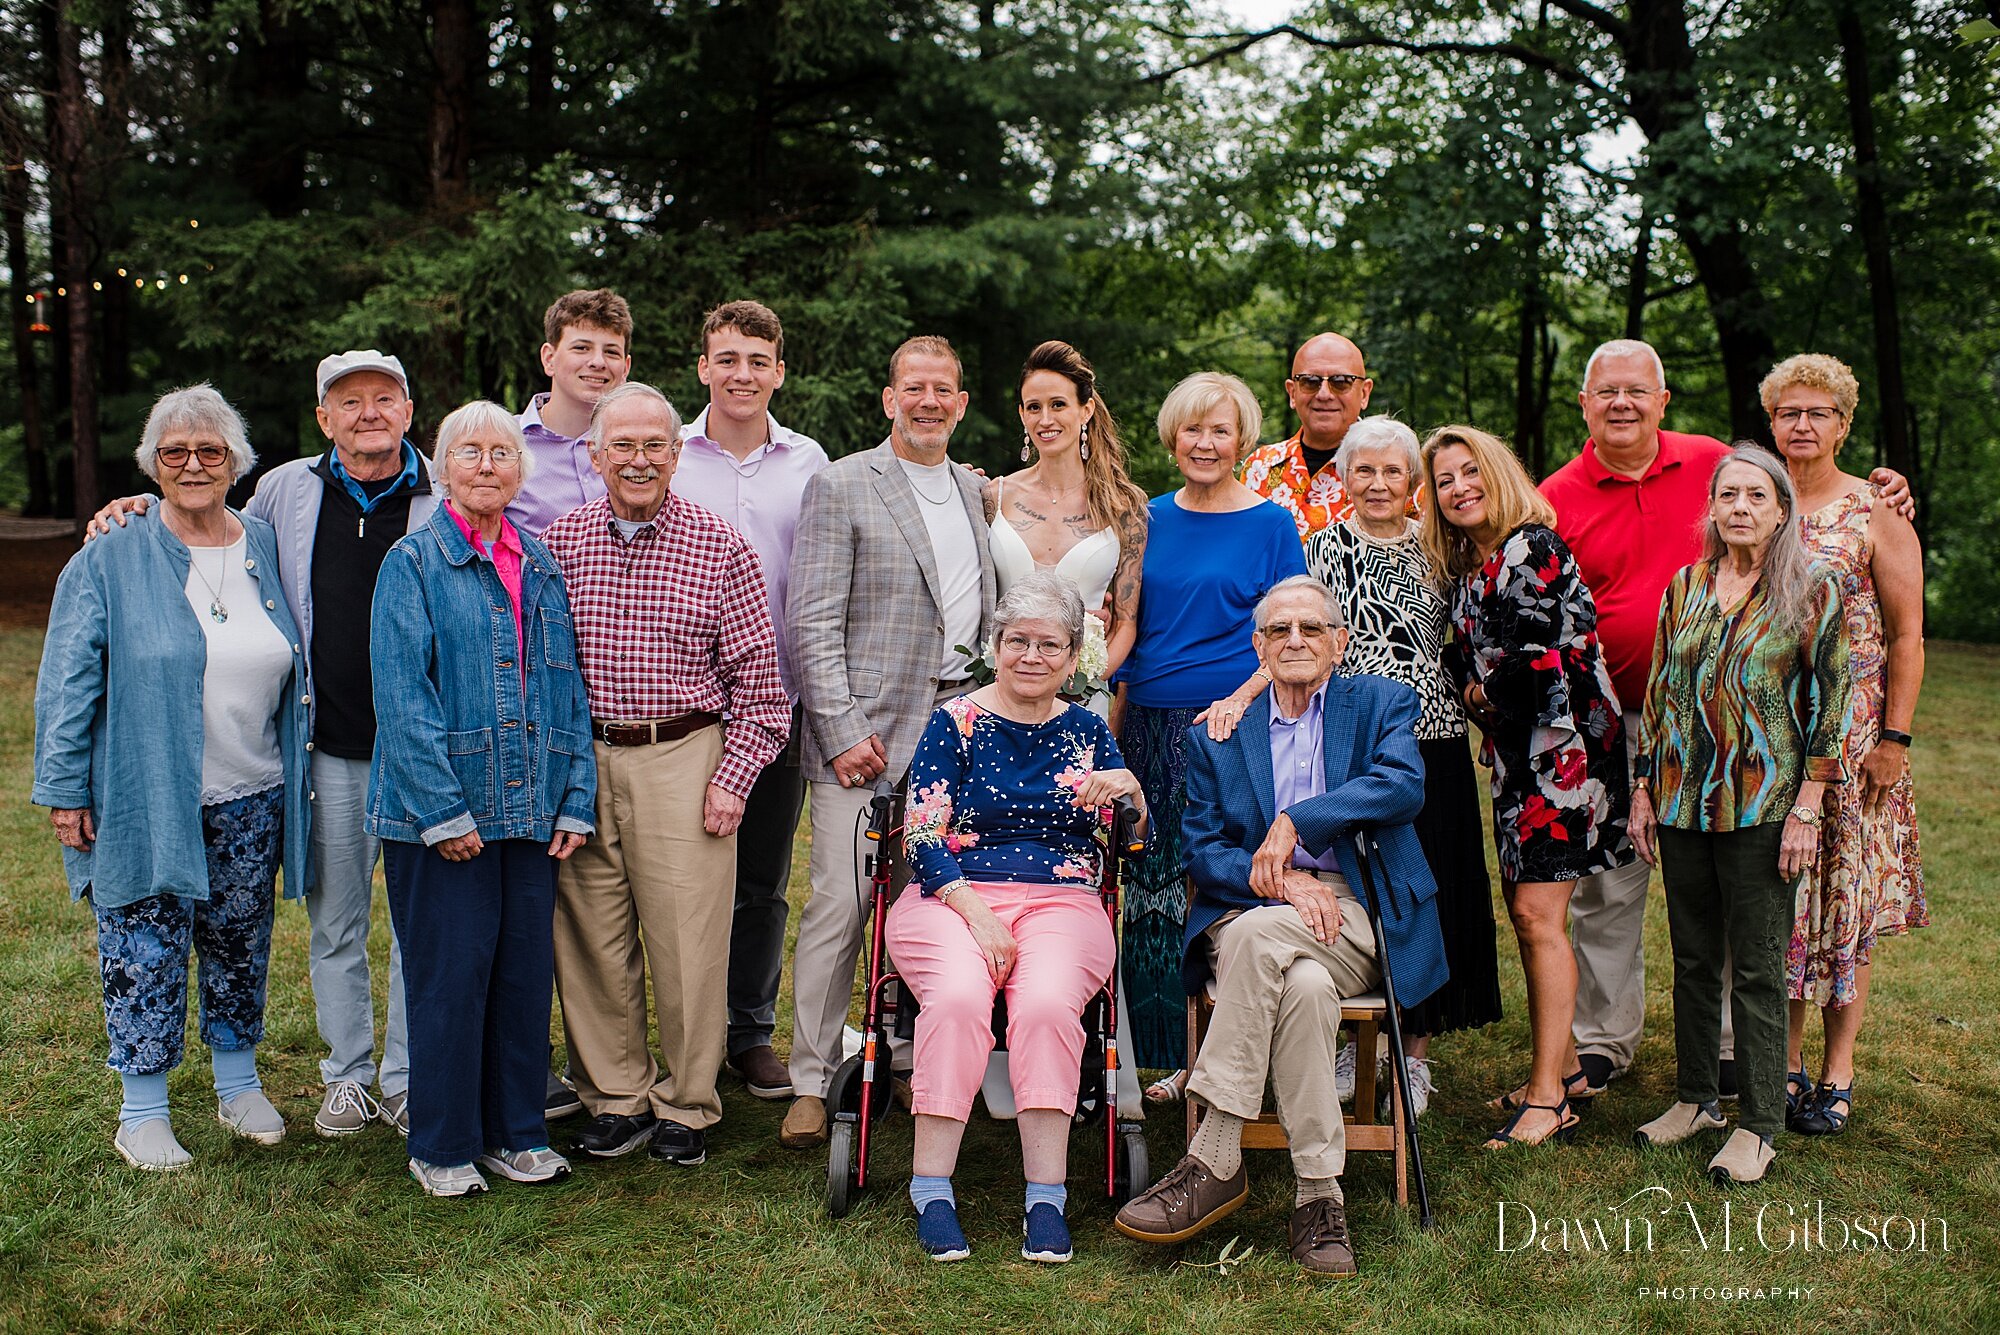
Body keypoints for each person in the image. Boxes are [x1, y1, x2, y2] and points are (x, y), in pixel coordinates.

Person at [1540, 339, 1912, 1097]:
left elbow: (1892, 614)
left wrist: (1887, 487)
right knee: (1618, 887)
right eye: (1606, 391)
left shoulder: (1714, 461)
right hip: (1622, 720)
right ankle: (1611, 1042)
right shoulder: (1557, 493)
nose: (1622, 403)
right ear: (1583, 402)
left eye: (1637, 391)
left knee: (1768, 884)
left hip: (1771, 731)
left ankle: (1758, 1055)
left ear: (1663, 401)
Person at [85, 350, 440, 1140]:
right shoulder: (286, 491)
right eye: (349, 402)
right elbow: (188, 505)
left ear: (409, 411)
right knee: (335, 922)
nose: (368, 413)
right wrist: (128, 508)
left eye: (385, 398)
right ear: (324, 418)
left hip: (417, 758)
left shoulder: (444, 495)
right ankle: (346, 1077)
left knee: (417, 922)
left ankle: (411, 1077)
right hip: (327, 755)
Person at [1113, 575, 1446, 1276]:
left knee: (1261, 942)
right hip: (1256, 905)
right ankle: (1319, 1195)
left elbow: (1402, 784)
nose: (1296, 640)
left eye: (1312, 628)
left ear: (1339, 642)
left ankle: (1214, 1154)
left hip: (1356, 909)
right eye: (1280, 630)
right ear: (1257, 646)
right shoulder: (1220, 733)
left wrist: (1298, 823)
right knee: (1303, 987)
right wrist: (1285, 880)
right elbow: (1204, 849)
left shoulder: (1380, 702)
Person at [34, 385, 312, 1169]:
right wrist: (63, 789)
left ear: (236, 462)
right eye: (174, 451)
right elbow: (66, 680)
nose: (193, 464)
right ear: (152, 465)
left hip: (252, 790)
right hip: (144, 791)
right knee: (141, 943)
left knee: (238, 939)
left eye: (210, 450)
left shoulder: (262, 544)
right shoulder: (109, 555)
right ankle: (143, 1110)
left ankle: (238, 1081)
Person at [542, 382, 789, 1167]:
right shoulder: (562, 542)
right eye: (624, 445)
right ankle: (615, 1095)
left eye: (655, 445)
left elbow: (762, 689)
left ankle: (687, 1099)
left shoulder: (720, 546)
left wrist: (733, 779)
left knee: (688, 940)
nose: (639, 459)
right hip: (587, 754)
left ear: (678, 454)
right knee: (590, 937)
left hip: (685, 754)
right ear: (595, 454)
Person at [368, 401, 596, 1197]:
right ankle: (443, 1143)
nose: (488, 464)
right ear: (442, 467)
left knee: (523, 976)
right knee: (450, 978)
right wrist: (441, 811)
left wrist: (574, 796)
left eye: (503, 451)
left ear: (520, 469)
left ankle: (517, 1133)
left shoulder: (537, 560)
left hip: (530, 806)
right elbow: (401, 697)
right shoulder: (415, 562)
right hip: (443, 815)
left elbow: (565, 685)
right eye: (470, 451)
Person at [886, 573, 1148, 1263]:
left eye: (1049, 645)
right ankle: (932, 1187)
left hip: (1062, 898)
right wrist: (977, 913)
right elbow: (920, 835)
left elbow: (1131, 827)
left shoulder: (1089, 728)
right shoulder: (956, 720)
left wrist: (1132, 788)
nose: (1032, 656)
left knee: (1044, 1006)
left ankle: (1046, 1196)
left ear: (1071, 657)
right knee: (959, 998)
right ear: (997, 645)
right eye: (1017, 641)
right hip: (952, 894)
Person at [780, 335, 997, 1149]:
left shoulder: (977, 495)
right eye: (915, 387)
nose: (929, 400)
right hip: (864, 737)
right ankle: (810, 1074)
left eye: (944, 388)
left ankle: (906, 1061)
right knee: (843, 902)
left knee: (932, 905)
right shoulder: (841, 484)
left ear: (962, 402)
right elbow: (812, 619)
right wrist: (839, 728)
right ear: (889, 398)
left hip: (957, 736)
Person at [1630, 447, 1851, 1185]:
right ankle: (1697, 1097)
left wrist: (1811, 804)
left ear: (1782, 510)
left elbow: (1831, 703)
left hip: (1765, 806)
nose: (1742, 506)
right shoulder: (1686, 586)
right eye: (1729, 494)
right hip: (1683, 801)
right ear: (1713, 507)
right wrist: (1642, 789)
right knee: (1692, 959)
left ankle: (1758, 1122)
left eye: (1758, 495)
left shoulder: (1812, 588)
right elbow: (1661, 694)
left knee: (1756, 966)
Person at [1422, 423, 1629, 1149]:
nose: (1458, 487)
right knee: (1528, 911)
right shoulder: (1476, 566)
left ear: (1498, 472)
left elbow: (1530, 664)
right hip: (1522, 757)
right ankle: (1566, 1067)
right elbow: (1460, 660)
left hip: (1565, 755)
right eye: (1444, 479)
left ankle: (1548, 1100)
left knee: (1539, 914)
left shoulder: (1530, 546)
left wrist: (1480, 699)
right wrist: (1480, 690)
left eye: (1469, 471)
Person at [1303, 416, 1500, 1115]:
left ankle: (1413, 1054)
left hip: (1434, 741)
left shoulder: (1440, 550)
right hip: (1353, 741)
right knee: (1361, 884)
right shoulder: (1318, 550)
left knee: (1427, 890)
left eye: (1393, 471)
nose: (1379, 483)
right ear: (1344, 477)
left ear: (1412, 483)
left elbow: (1472, 635)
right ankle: (1360, 1038)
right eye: (1365, 470)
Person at [1117, 371, 1307, 1088]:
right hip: (1146, 720)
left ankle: (1219, 1057)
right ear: (1174, 436)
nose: (1204, 442)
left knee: (1217, 885)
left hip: (1230, 725)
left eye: (1219, 430)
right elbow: (1128, 628)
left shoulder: (1270, 523)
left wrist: (1240, 699)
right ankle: (1150, 1056)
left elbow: (1289, 635)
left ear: (1241, 440)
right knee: (1146, 884)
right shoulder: (1147, 517)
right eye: (1192, 428)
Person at [981, 338, 1150, 1119]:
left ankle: (1074, 1047)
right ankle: (984, 1040)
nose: (1046, 416)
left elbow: (1126, 621)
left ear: (1087, 408)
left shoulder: (1126, 507)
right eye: (1033, 404)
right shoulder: (992, 496)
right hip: (993, 696)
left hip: (1077, 706)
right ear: (1021, 415)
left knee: (1067, 868)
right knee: (981, 849)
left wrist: (1084, 683)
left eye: (1060, 403)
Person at [1764, 354, 1927, 1139]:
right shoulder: (1755, 498)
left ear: (1843, 423)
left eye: (1818, 412)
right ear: (1771, 422)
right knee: (1786, 899)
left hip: (1855, 736)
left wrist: (1893, 737)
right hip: (1772, 733)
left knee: (1845, 902)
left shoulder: (1875, 508)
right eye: (1789, 411)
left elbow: (1907, 633)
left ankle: (1838, 1069)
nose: (1802, 424)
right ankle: (1782, 1061)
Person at [673, 300, 829, 1103]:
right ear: (704, 366)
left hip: (780, 698)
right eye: (727, 359)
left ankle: (747, 1030)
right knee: (681, 878)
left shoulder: (811, 462)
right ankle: (677, 1032)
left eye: (757, 361)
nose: (742, 374)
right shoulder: (669, 454)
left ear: (778, 371)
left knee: (763, 877)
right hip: (687, 699)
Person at [511, 288, 634, 537]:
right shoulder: (505, 445)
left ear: (625, 368)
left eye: (611, 352)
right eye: (581, 348)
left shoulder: (645, 450)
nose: (598, 362)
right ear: (549, 358)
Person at [1241, 333, 1374, 539]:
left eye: (1340, 382)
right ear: (1292, 393)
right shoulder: (1260, 469)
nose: (1324, 394)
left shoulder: (1397, 471)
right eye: (1310, 381)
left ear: (1364, 393)